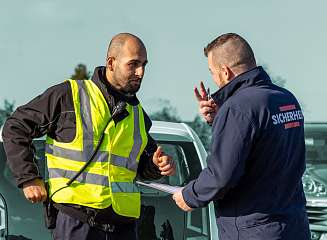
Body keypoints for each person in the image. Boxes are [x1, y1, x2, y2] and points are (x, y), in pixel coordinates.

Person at [2, 33, 176, 240]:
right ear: (111, 63)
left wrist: (157, 166)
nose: (141, 72)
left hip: (124, 227)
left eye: (144, 65)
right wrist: (29, 178)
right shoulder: (68, 96)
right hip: (77, 222)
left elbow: (140, 168)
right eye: (133, 64)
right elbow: (16, 126)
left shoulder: (138, 115)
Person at [172, 33, 310, 239]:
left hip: (254, 228)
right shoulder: (285, 98)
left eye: (212, 72)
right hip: (294, 225)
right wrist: (219, 119)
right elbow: (262, 148)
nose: (214, 79)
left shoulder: (238, 109)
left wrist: (190, 195)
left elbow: (222, 175)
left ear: (225, 72)